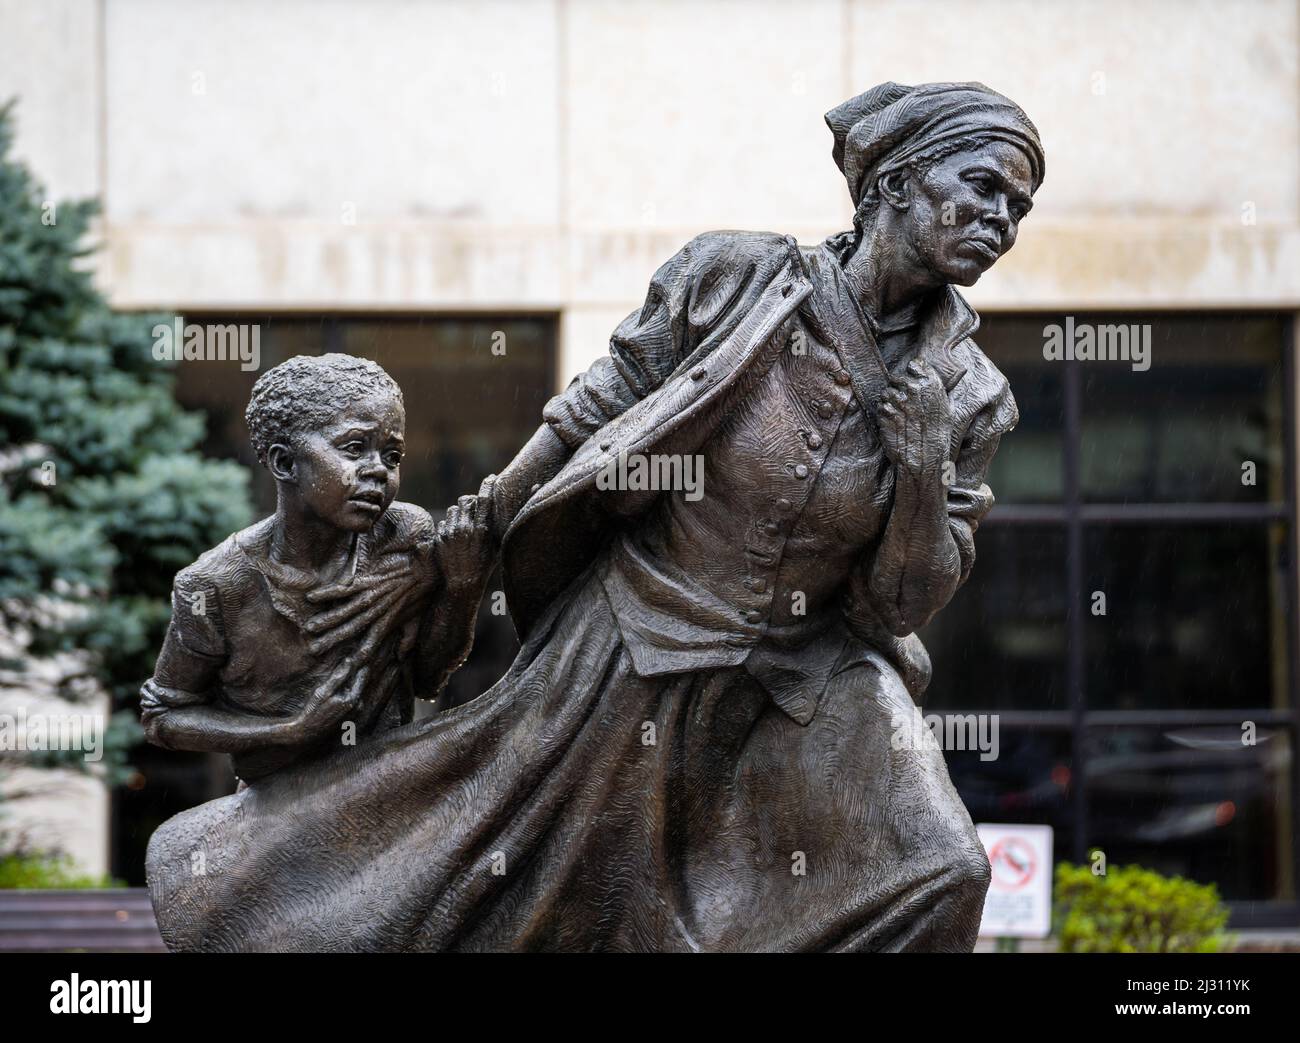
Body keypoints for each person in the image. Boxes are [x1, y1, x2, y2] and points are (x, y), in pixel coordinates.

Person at [146, 82, 1044, 952]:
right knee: (529, 889)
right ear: (894, 181)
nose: (1002, 220)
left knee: (944, 867)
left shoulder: (971, 396)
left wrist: (923, 468)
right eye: (984, 187)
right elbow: (598, 402)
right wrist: (493, 515)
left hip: (812, 670)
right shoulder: (735, 277)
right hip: (636, 634)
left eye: (1020, 206)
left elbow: (897, 606)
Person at [139, 353, 493, 783]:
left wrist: (462, 587)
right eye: (354, 448)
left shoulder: (403, 535)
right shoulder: (213, 586)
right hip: (277, 807)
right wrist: (290, 730)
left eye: (392, 455)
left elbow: (429, 678)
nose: (378, 471)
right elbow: (163, 717)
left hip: (389, 785)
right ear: (285, 463)